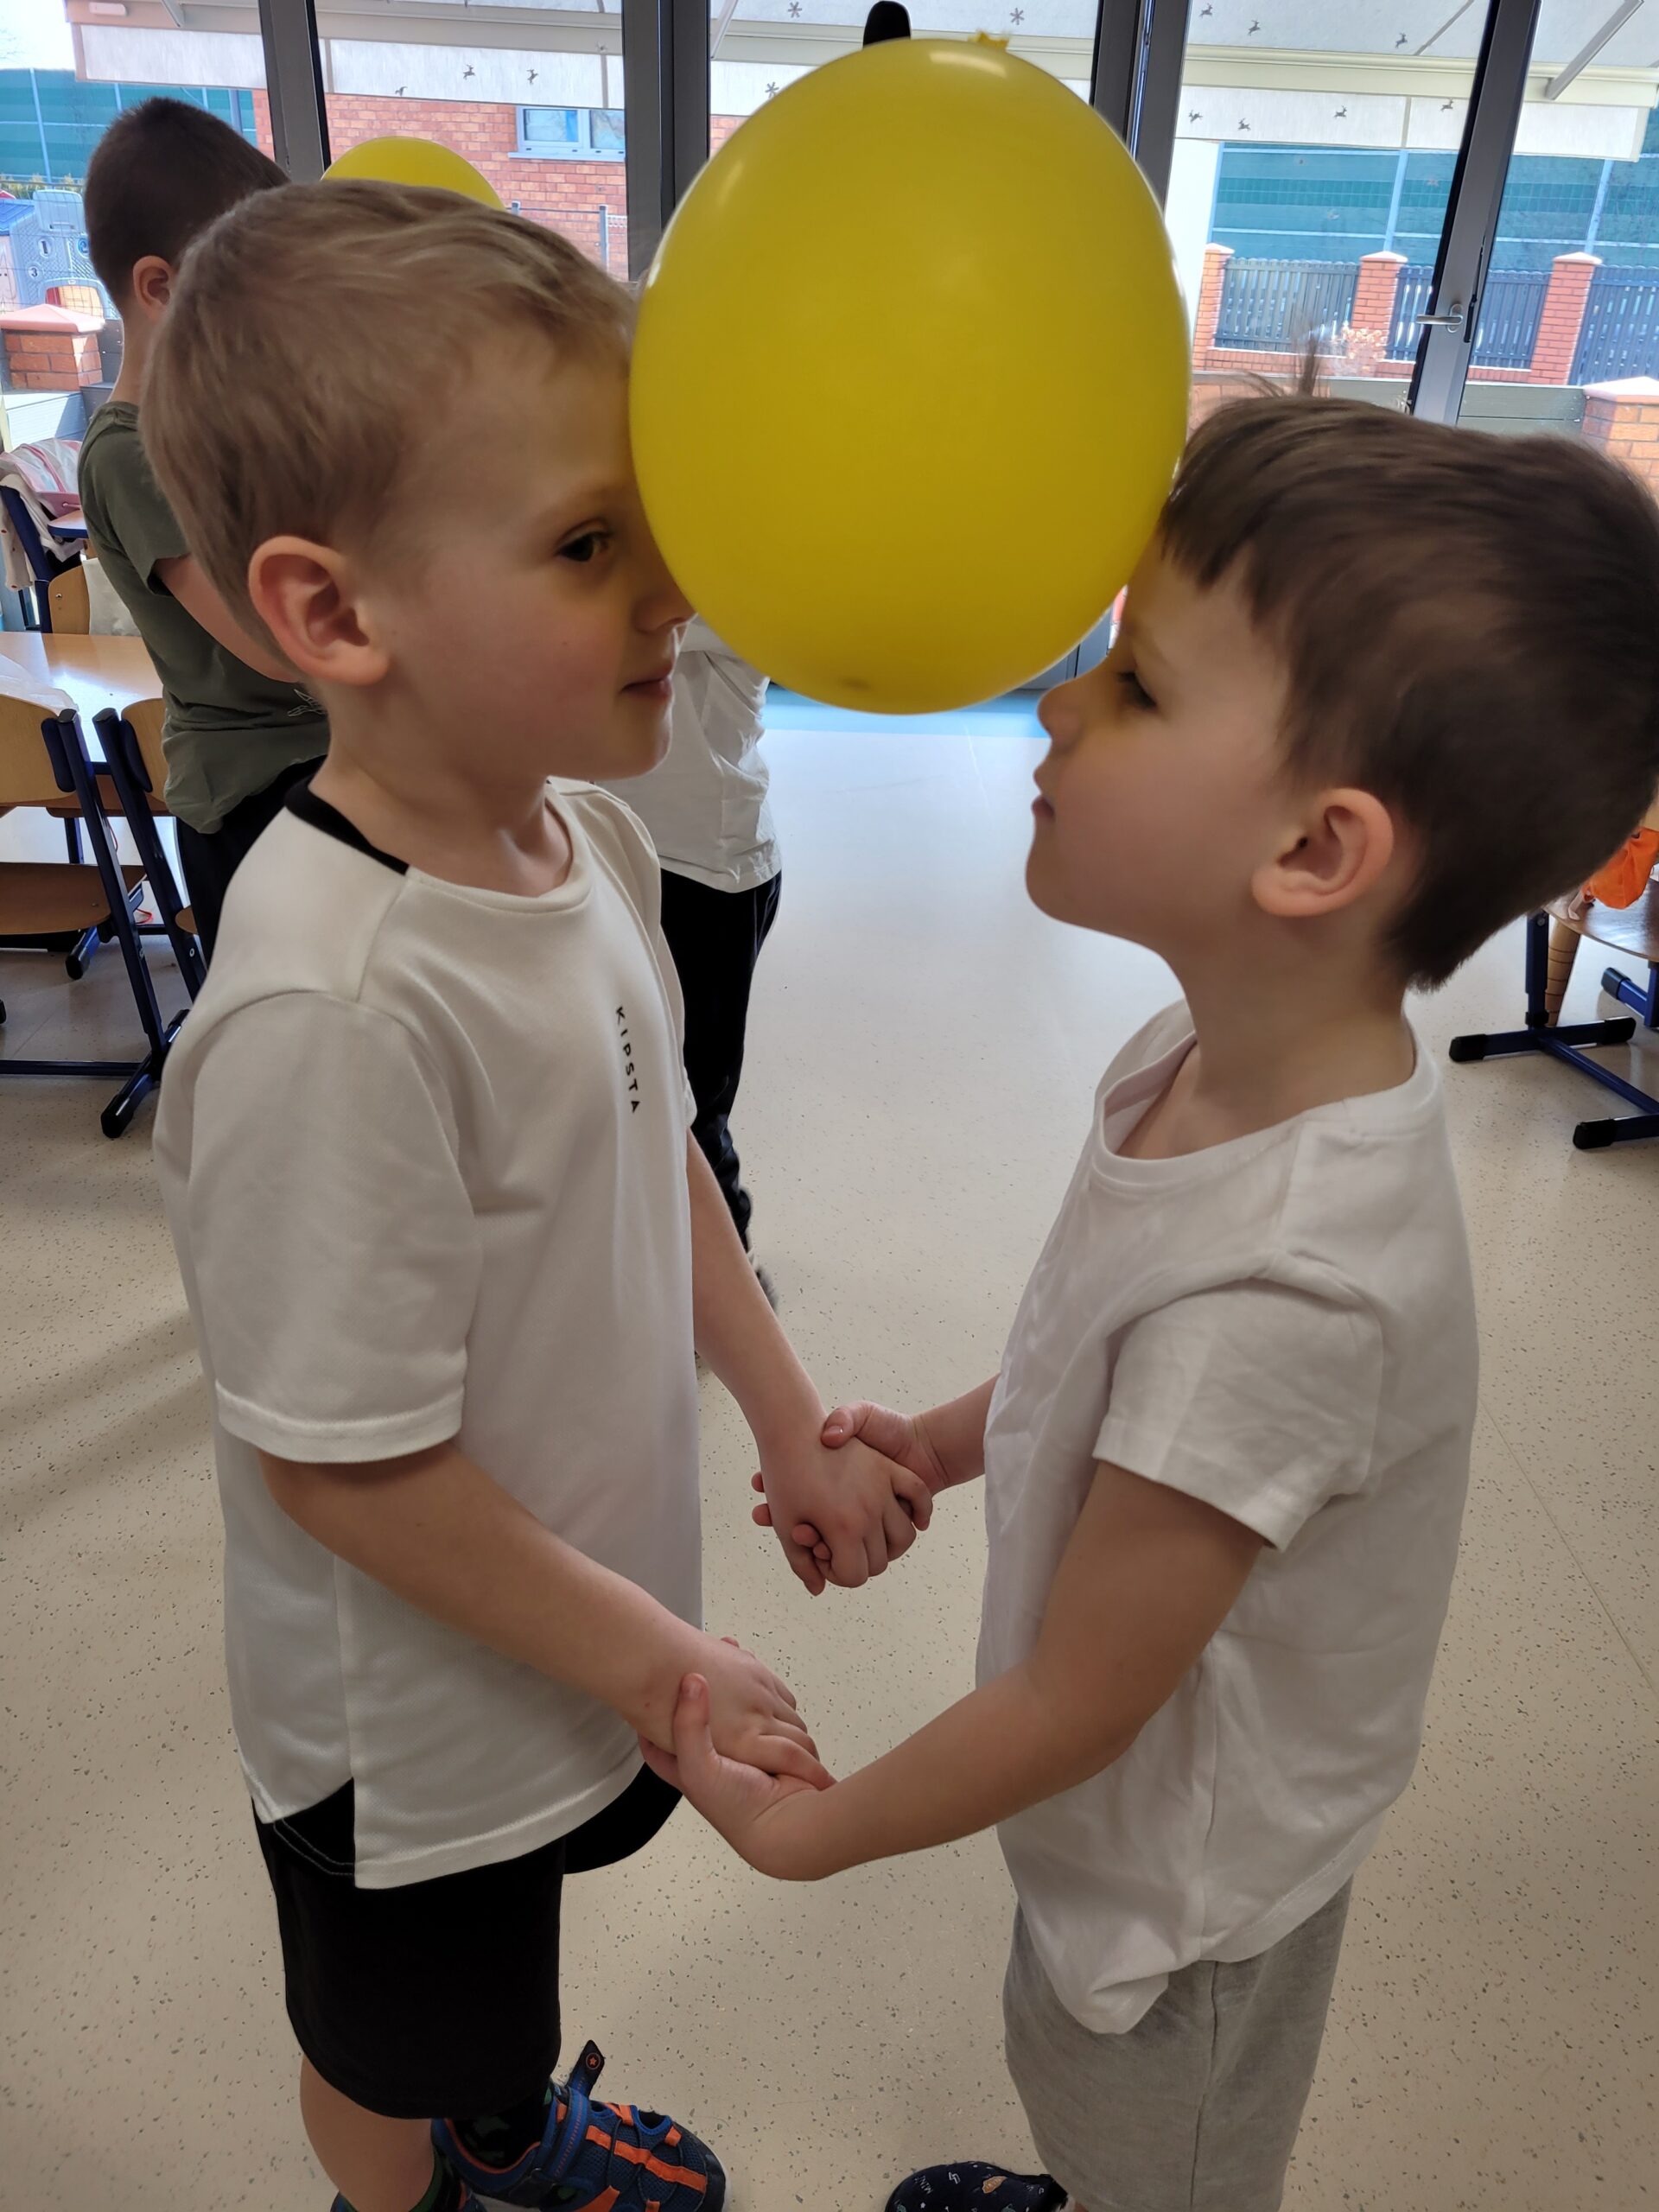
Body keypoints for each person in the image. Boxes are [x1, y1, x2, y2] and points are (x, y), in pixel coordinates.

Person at [643, 397, 1659, 2212]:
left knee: (1147, 2138)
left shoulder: (1292, 1284)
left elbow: (1076, 1703)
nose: (1059, 706)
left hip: (1186, 1905)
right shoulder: (1202, 1059)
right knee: (1074, 2059)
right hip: (1125, 1828)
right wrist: (942, 1441)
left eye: (1138, 683)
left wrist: (814, 1835)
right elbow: (1091, 1353)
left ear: (1318, 853)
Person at [143, 181, 931, 2212]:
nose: (675, 587)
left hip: (575, 1619)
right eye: (591, 543)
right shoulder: (330, 1001)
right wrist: (659, 1663)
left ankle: (506, 2130)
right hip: (410, 1717)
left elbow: (659, 1143)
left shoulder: (585, 841)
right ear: (337, 615)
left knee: (502, 1983)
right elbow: (349, 1474)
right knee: (389, 2037)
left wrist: (785, 1411)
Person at [80, 99, 328, 959]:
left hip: (324, 762)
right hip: (257, 793)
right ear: (160, 288)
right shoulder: (130, 454)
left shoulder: (225, 430)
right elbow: (275, 643)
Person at [601, 620, 781, 1265]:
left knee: (691, 1102)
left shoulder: (726, 591)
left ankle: (727, 1270)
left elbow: (626, 626)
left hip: (704, 875)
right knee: (629, 1078)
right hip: (623, 852)